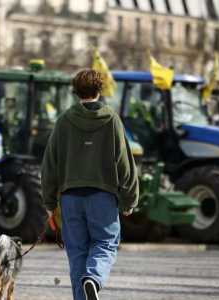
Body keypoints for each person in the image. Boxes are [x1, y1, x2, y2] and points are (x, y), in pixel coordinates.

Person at [41, 69, 139, 300]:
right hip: (103, 197)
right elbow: (124, 162)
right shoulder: (112, 119)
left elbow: (49, 165)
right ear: (99, 89)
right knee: (105, 245)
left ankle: (84, 291)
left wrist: (49, 202)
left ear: (75, 91)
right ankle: (93, 278)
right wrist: (129, 199)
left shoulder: (63, 121)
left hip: (69, 197)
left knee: (76, 255)